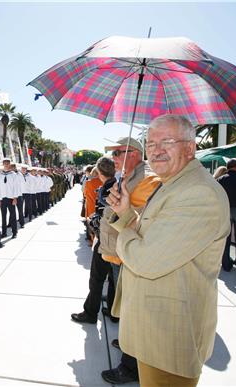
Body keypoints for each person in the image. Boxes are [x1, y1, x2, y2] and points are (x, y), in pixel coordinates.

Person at [106, 115, 229, 386]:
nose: (156, 149)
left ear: (190, 148)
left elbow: (145, 260)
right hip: (153, 328)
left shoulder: (198, 193)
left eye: (167, 141)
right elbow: (150, 236)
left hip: (170, 336)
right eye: (150, 143)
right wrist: (126, 213)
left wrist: (123, 234)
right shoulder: (173, 184)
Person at [95, 138, 161, 385]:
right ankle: (127, 344)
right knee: (126, 309)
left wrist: (119, 203)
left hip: (129, 254)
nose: (113, 157)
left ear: (133, 153)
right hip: (118, 251)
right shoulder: (128, 175)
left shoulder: (147, 178)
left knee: (134, 312)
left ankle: (130, 366)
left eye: (117, 152)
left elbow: (142, 217)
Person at [0, 158, 19, 239]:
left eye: (8, 163)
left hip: (11, 198)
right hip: (3, 198)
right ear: (3, 164)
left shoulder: (13, 174)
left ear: (9, 164)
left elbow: (16, 187)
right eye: (5, 163)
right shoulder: (0, 175)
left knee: (13, 216)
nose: (6, 164)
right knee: (3, 216)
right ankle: (4, 233)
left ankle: (14, 232)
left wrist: (15, 198)